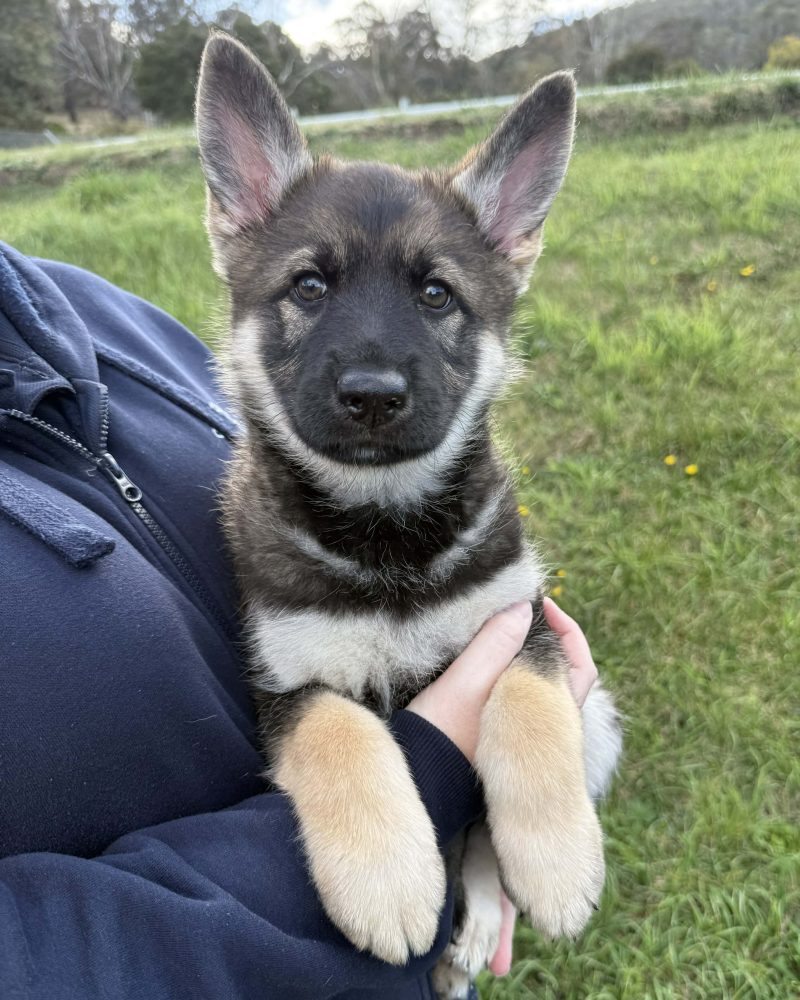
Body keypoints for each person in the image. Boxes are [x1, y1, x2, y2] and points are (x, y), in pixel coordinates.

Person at [0, 242, 599, 999]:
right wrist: (429, 774)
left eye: (434, 295)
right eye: (311, 286)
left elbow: (517, 637)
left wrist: (516, 797)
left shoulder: (88, 308)